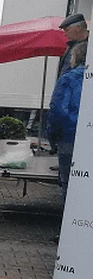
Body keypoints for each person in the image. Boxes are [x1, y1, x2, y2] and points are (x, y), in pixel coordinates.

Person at [47, 41, 87, 200]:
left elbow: (58, 111)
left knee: (69, 182)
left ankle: (72, 221)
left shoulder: (69, 79)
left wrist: (52, 137)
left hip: (70, 138)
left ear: (76, 57)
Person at [58, 13, 89, 77]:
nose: (65, 34)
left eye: (67, 30)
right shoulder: (70, 46)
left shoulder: (90, 46)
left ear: (78, 28)